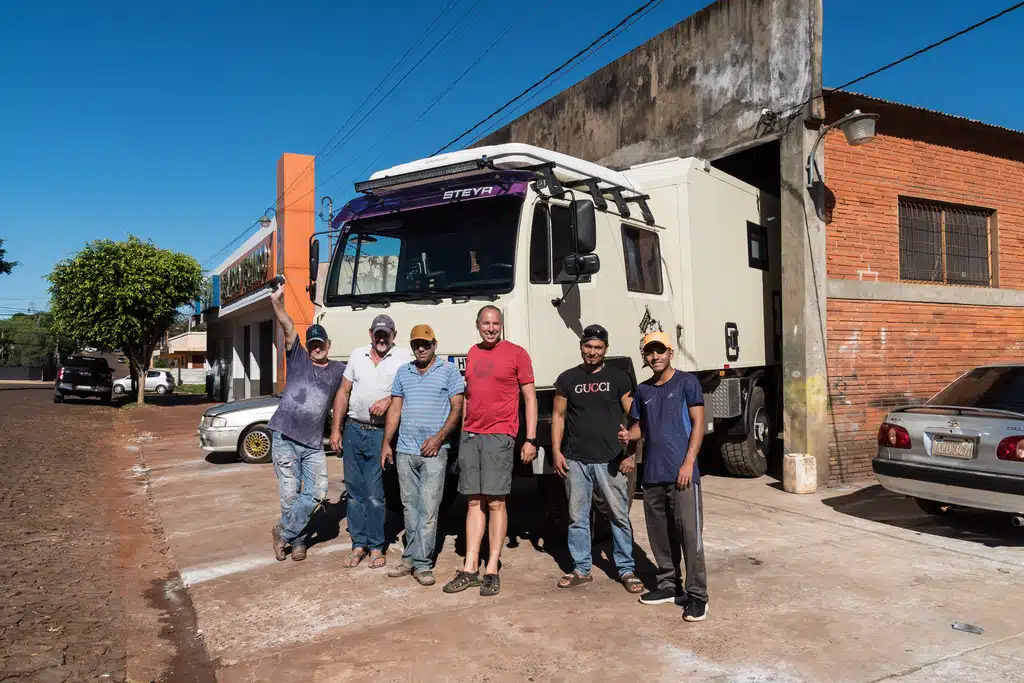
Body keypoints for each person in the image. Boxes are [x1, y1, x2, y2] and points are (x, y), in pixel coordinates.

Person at [443, 305, 537, 597]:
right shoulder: (472, 353)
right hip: (472, 435)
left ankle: (492, 568)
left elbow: (530, 399)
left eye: (496, 323)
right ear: (478, 325)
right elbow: (469, 397)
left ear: (502, 325)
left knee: (496, 502)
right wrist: (463, 434)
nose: (491, 328)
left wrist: (530, 439)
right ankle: (470, 566)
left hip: (500, 436)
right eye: (486, 323)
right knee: (474, 502)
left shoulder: (517, 354)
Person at [551, 324, 644, 595]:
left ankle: (626, 569)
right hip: (576, 459)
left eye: (598, 348)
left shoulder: (619, 378)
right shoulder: (567, 379)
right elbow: (558, 416)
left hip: (610, 459)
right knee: (577, 517)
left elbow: (636, 418)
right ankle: (582, 568)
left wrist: (632, 453)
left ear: (606, 349)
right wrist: (557, 452)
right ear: (581, 347)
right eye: (588, 347)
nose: (592, 352)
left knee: (618, 515)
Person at [624, 331, 709, 622]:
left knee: (689, 536)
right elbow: (641, 429)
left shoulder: (687, 382)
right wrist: (627, 435)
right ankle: (669, 586)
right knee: (660, 535)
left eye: (660, 351)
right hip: (653, 474)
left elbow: (699, 424)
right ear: (645, 357)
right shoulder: (643, 390)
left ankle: (698, 596)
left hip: (682, 473)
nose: (655, 356)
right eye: (650, 352)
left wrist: (688, 463)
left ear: (671, 353)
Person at [380, 324, 465, 586]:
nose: (421, 348)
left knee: (428, 509)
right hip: (405, 450)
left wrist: (439, 439)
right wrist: (387, 444)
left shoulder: (448, 372)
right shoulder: (403, 372)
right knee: (410, 508)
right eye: (417, 343)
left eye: (425, 344)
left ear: (434, 345)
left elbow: (457, 409)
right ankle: (410, 558)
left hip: (434, 452)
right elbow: (395, 410)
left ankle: (423, 563)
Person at [267, 285, 346, 562]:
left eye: (320, 343)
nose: (315, 348)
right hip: (286, 438)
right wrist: (277, 302)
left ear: (328, 345)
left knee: (317, 493)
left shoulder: (339, 370)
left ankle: (283, 532)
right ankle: (299, 542)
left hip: (313, 445)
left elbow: (349, 391)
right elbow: (288, 327)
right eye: (312, 344)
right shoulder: (298, 358)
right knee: (290, 495)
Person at [330, 314, 413, 569]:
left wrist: (389, 399)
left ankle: (377, 546)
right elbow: (343, 392)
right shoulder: (357, 355)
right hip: (353, 429)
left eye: (386, 334)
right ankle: (358, 544)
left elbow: (409, 389)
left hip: (380, 434)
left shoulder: (403, 358)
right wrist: (336, 429)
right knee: (355, 494)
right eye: (377, 333)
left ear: (393, 336)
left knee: (376, 493)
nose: (381, 338)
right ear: (370, 334)